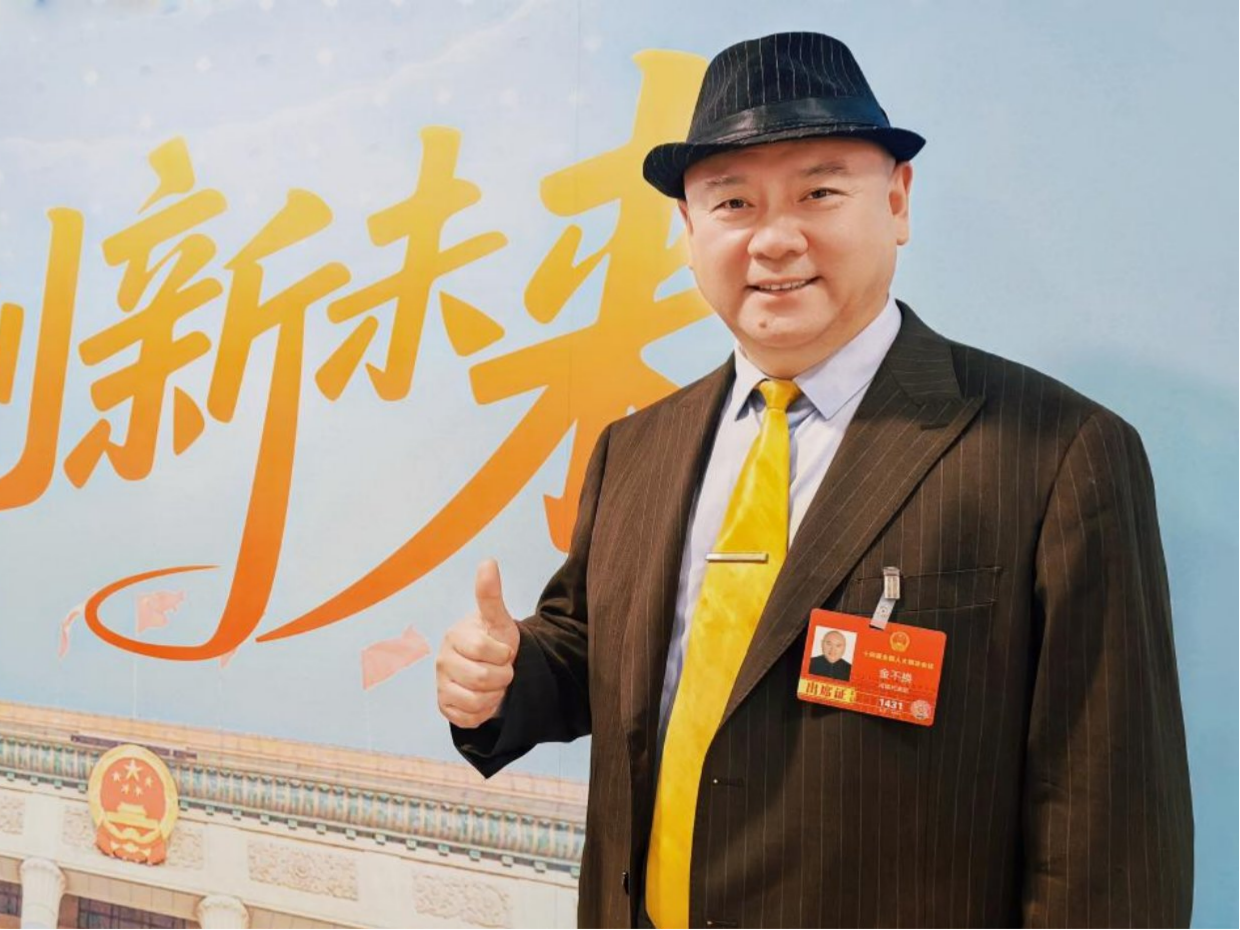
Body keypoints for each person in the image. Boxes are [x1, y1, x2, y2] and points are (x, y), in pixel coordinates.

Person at [434, 31, 1193, 929]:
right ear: (688, 231)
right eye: (732, 202)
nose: (773, 239)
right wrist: (508, 676)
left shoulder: (1057, 452)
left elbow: (1108, 825)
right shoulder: (633, 448)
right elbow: (595, 653)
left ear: (897, 201)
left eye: (819, 193)